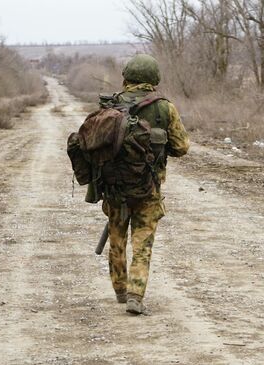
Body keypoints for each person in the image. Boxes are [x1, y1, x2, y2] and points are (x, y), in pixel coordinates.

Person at [102, 54, 189, 314]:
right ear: (154, 79)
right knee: (143, 243)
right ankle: (135, 296)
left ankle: (119, 290)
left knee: (116, 239)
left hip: (115, 188)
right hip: (149, 188)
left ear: (126, 76)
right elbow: (182, 147)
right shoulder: (165, 108)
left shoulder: (111, 106)